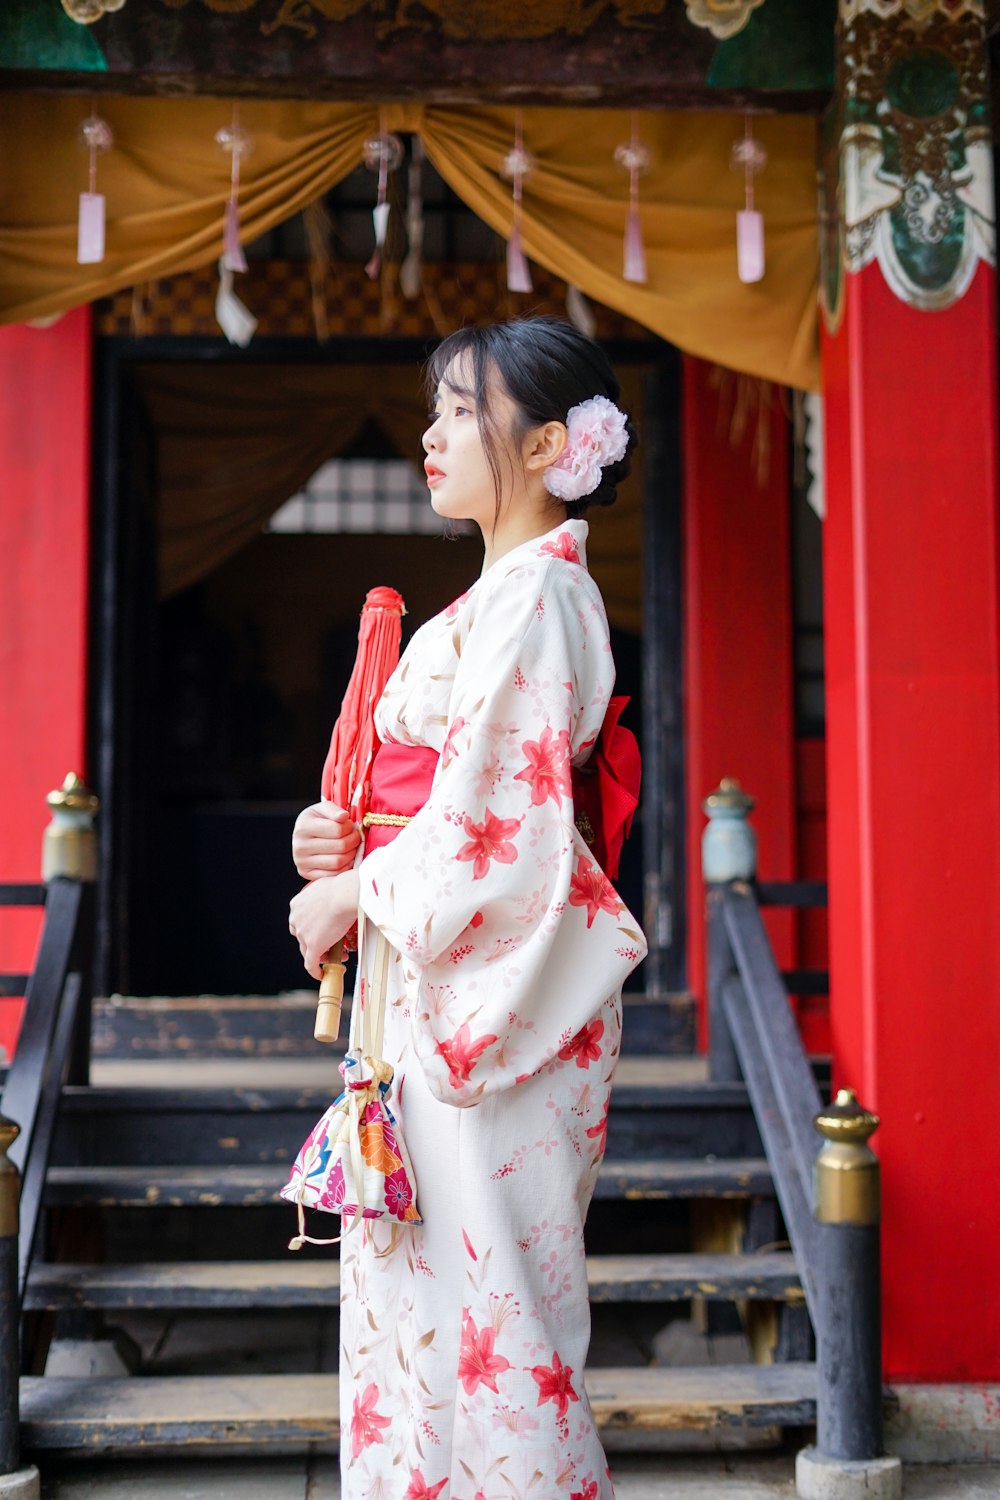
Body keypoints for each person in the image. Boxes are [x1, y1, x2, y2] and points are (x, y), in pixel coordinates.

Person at [288, 316, 648, 1500]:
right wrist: (338, 843)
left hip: (492, 1011)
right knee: (431, 1310)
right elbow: (441, 809)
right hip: (436, 989)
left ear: (548, 444)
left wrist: (353, 888)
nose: (431, 434)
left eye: (458, 410)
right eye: (433, 410)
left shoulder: (539, 601)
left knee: (500, 1323)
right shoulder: (500, 597)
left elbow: (505, 830)